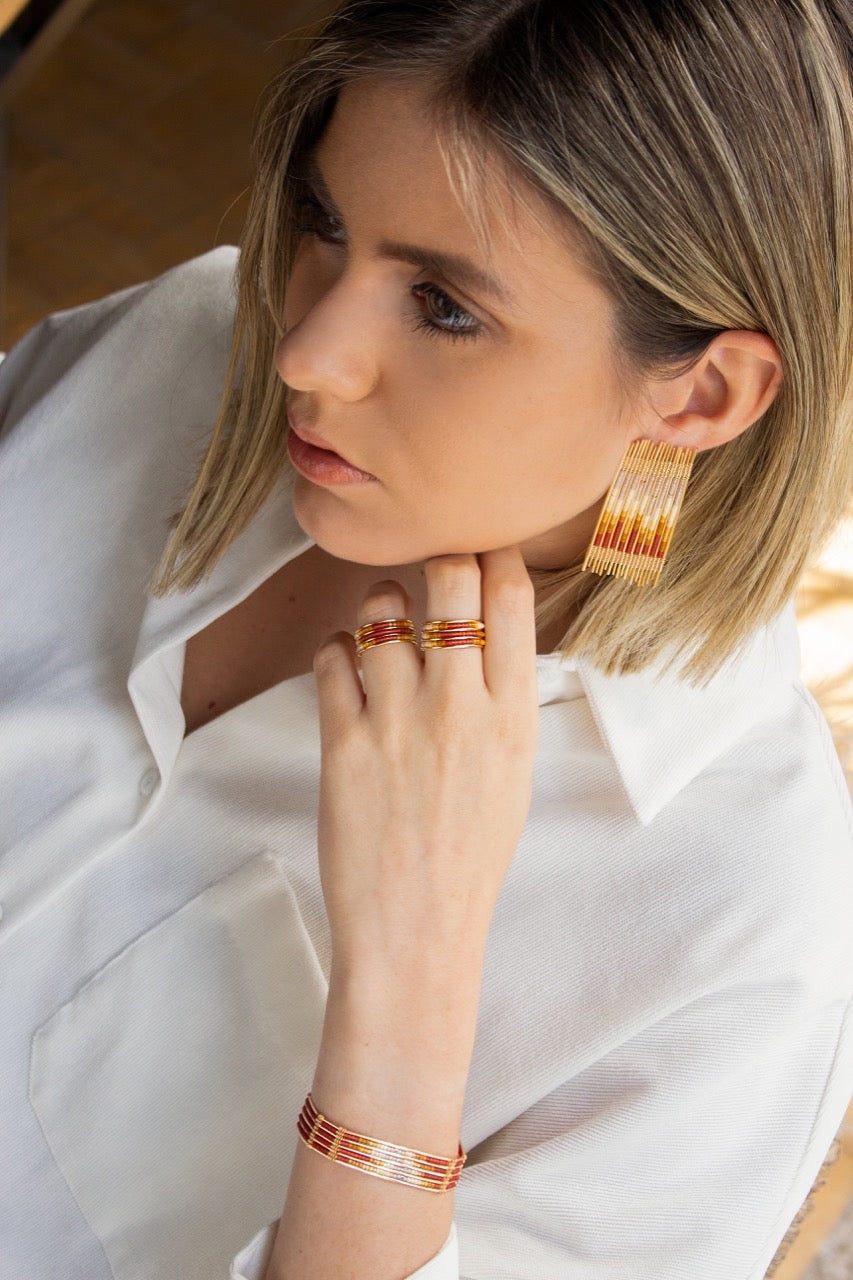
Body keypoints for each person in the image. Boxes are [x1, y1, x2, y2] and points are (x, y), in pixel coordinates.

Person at [2, 1, 853, 1277]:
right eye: (328, 227)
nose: (309, 350)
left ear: (701, 394)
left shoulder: (738, 931)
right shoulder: (182, 348)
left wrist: (407, 986)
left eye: (443, 306)